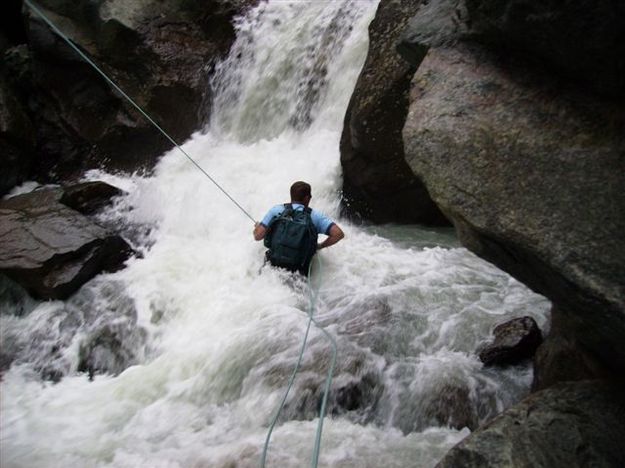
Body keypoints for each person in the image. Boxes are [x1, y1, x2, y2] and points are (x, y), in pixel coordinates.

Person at [253, 181, 344, 274]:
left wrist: (257, 228)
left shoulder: (277, 210)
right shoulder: (315, 216)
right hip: (298, 272)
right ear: (307, 198)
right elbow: (338, 234)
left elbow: (258, 236)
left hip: (272, 267)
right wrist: (320, 246)